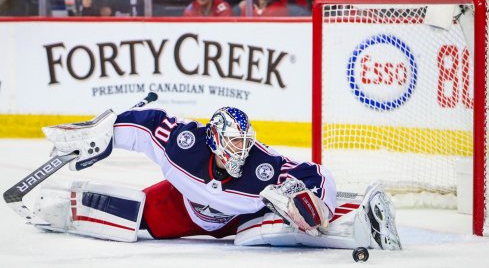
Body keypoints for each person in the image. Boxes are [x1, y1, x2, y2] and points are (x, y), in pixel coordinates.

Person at [34, 104, 401, 250]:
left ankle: (365, 213)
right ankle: (65, 208)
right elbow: (146, 125)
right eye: (232, 143)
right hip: (185, 205)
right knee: (137, 215)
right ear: (213, 139)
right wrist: (103, 134)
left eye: (244, 144)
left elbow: (315, 175)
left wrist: (311, 197)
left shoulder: (264, 166)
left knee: (286, 226)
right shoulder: (184, 143)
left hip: (239, 218)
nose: (239, 152)